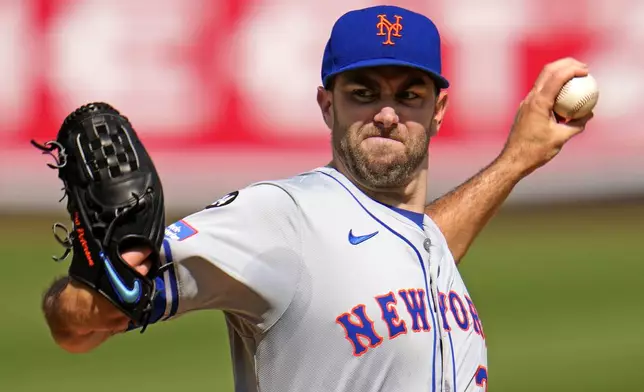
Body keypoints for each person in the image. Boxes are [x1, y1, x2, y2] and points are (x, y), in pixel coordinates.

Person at [41, 5, 593, 392]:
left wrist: (516, 161)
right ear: (327, 105)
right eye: (363, 92)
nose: (386, 111)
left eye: (408, 94)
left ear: (439, 109)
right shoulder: (279, 216)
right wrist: (97, 280)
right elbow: (79, 325)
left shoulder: (419, 242)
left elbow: (394, 252)